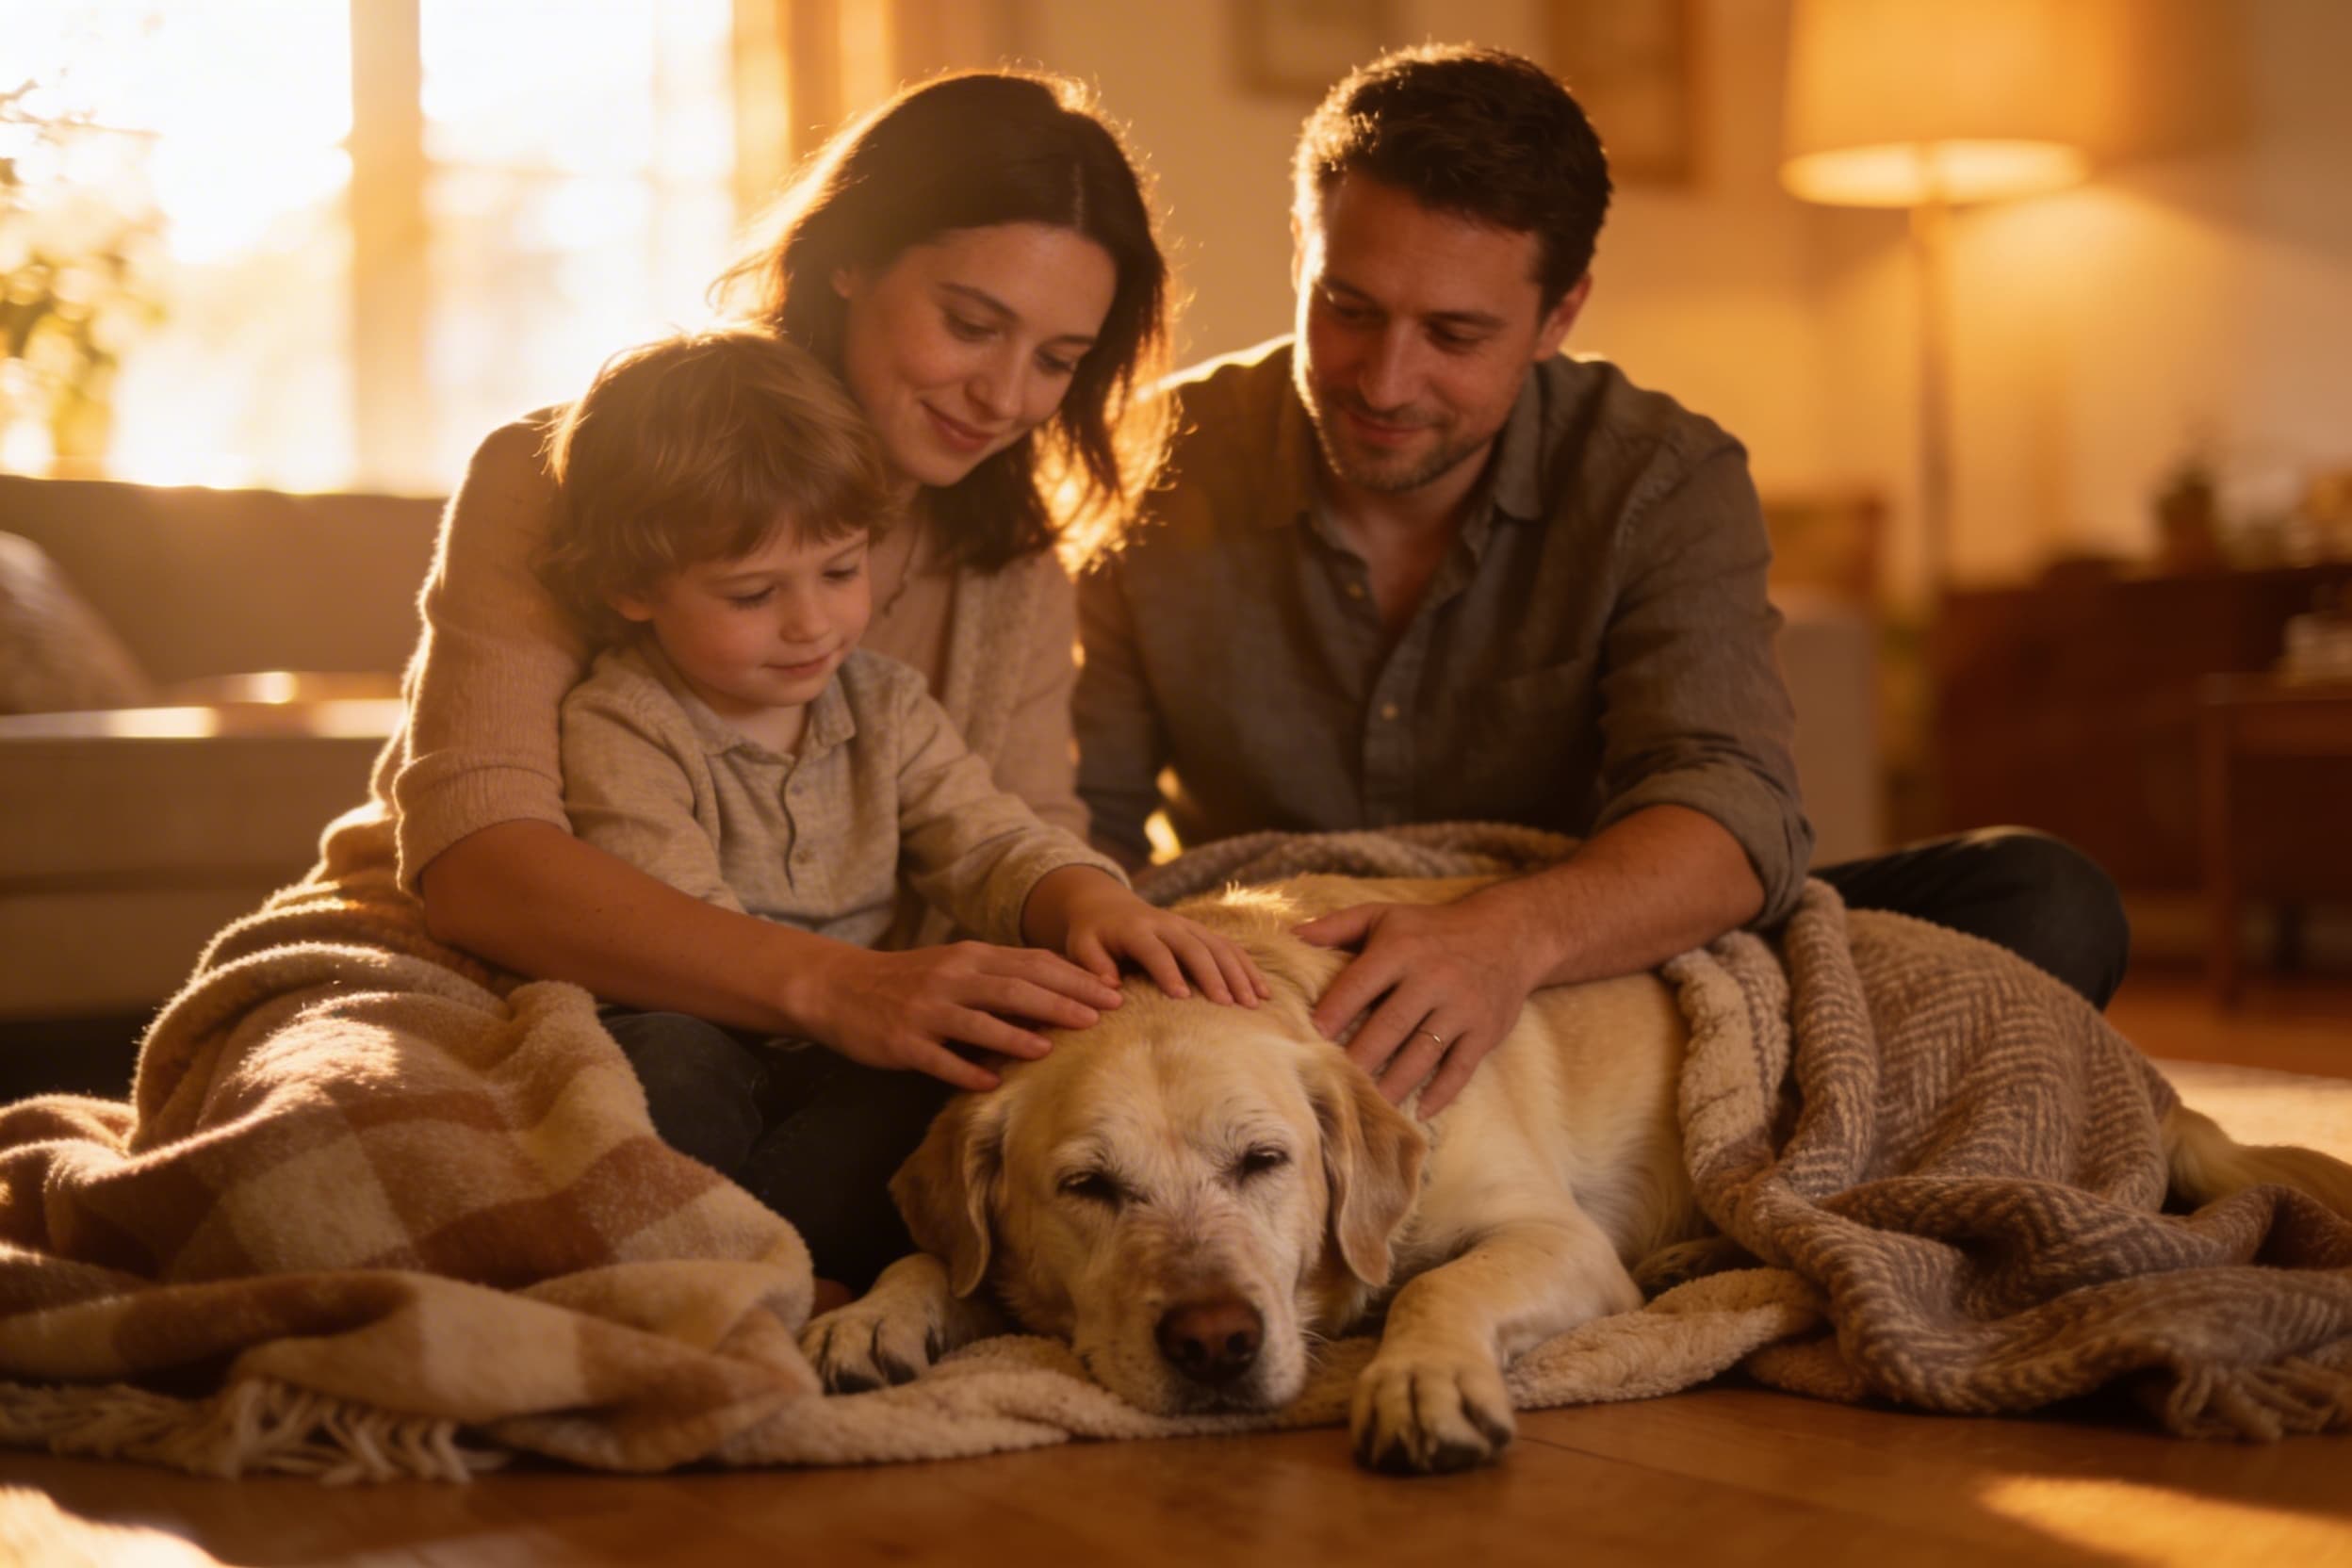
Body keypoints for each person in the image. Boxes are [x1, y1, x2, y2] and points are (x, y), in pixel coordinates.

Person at [1073, 44, 2130, 1119]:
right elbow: (1079, 825)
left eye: (1455, 334)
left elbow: (1731, 810)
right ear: (1303, 250)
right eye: (1348, 308)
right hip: (1274, 976)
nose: (1386, 380)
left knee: (2041, 898)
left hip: (1594, 974)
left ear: (1561, 315)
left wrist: (1508, 937)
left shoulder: (1661, 477)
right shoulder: (1149, 454)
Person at [380, 70, 1188, 1289]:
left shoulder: (1010, 565)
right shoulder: (563, 481)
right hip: (588, 976)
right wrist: (835, 987)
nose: (1006, 397)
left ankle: (716, 1265)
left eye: (1058, 358)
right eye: (971, 325)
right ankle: (701, 1267)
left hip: (869, 1020)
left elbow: (1009, 838)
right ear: (849, 259)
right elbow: (483, 862)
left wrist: (1089, 917)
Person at [539, 329, 1261, 1285]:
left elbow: (985, 836)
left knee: (949, 1107)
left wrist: (1089, 898)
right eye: (753, 592)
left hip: (858, 1046)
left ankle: (755, 1246)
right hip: (699, 1014)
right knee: (659, 1078)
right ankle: (708, 1257)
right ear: (632, 587)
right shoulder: (621, 723)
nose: (812, 623)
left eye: (841, 571)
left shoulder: (882, 701)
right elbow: (681, 918)